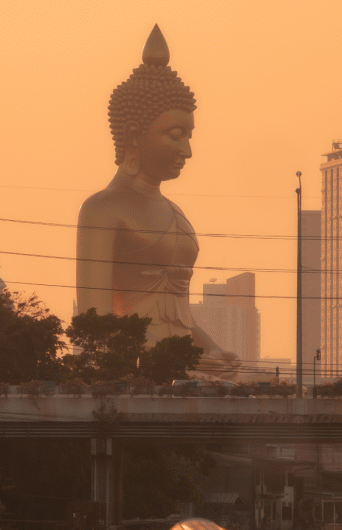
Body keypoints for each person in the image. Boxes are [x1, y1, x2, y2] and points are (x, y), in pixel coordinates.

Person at [76, 25, 239, 376]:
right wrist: (176, 357)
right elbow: (97, 326)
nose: (187, 151)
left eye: (189, 137)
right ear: (134, 134)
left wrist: (213, 351)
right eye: (175, 136)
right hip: (132, 370)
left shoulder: (175, 213)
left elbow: (180, 319)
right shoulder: (102, 209)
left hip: (183, 366)